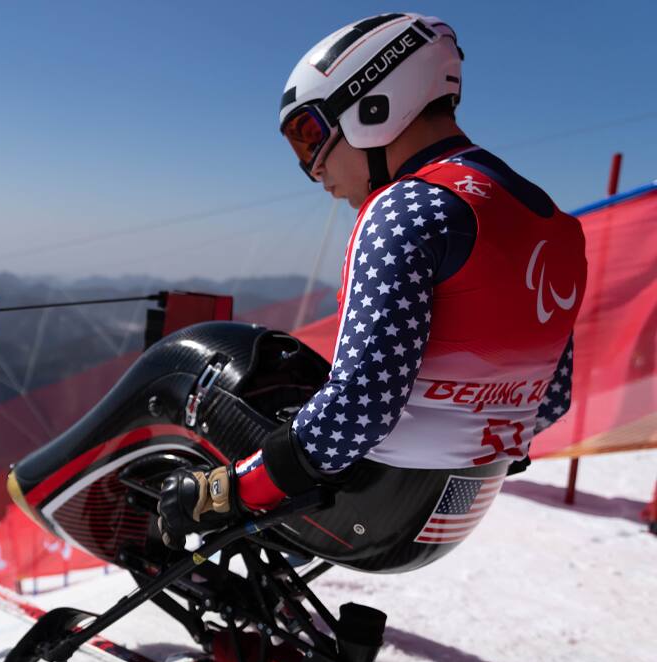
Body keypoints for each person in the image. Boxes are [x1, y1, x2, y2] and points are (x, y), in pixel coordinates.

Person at [158, 12, 587, 547]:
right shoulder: (552, 221)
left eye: (308, 134)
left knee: (181, 365)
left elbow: (362, 403)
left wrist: (232, 491)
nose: (314, 170)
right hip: (463, 502)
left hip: (374, 504)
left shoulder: (404, 209)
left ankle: (71, 499)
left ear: (374, 104)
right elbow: (552, 398)